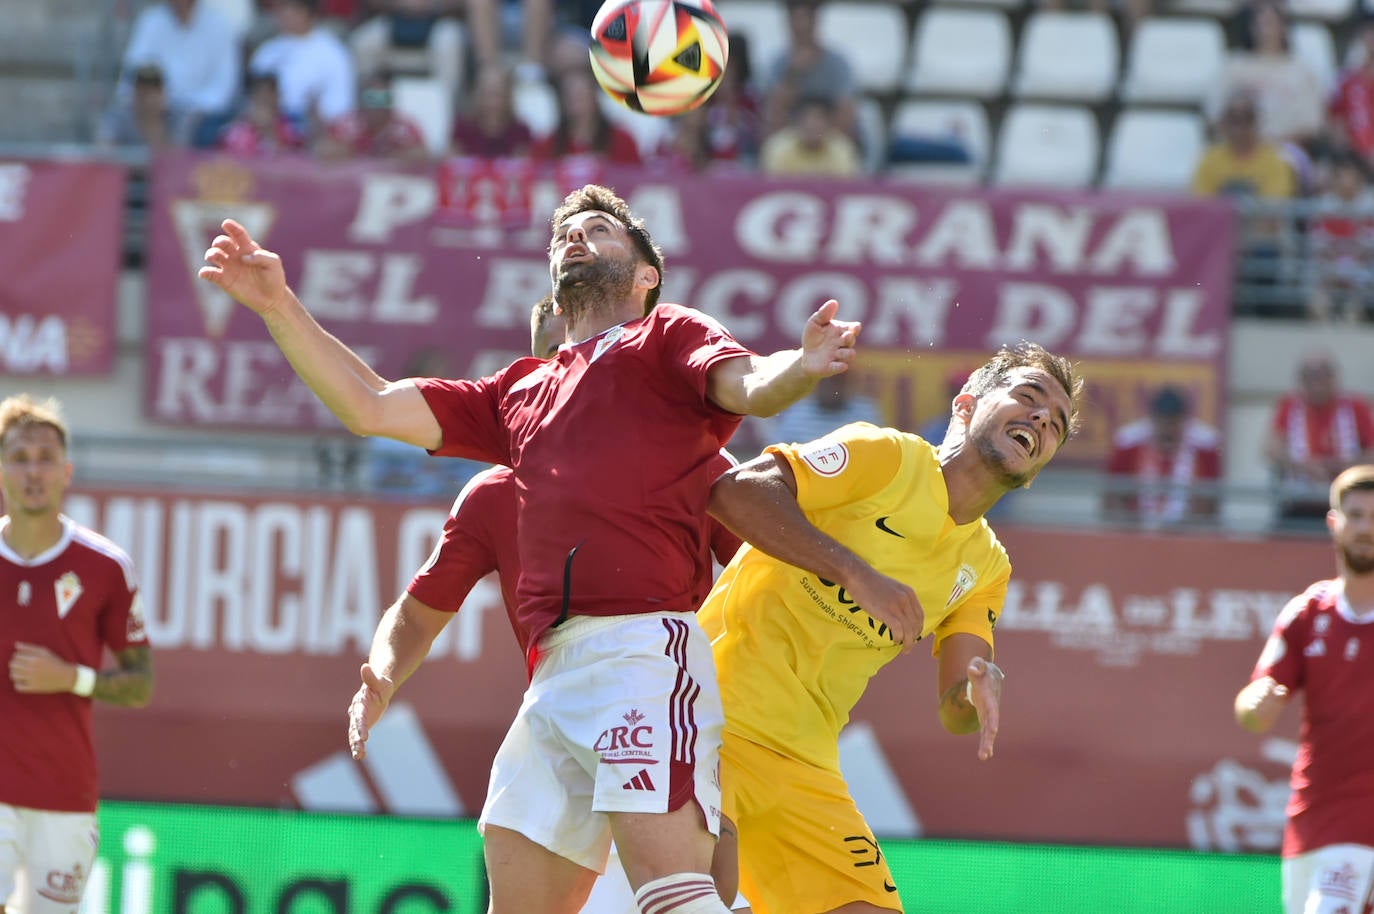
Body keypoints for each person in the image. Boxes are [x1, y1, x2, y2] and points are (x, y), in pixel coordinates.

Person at [198, 183, 861, 913]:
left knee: (675, 899)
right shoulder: (519, 391)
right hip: (551, 680)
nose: (575, 237)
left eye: (600, 230)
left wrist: (799, 367)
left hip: (641, 655)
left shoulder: (665, 335)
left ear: (646, 275)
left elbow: (748, 386)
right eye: (562, 235)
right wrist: (277, 307)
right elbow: (370, 405)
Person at [349, 298, 745, 911]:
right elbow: (419, 609)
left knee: (685, 894)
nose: (585, 368)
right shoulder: (489, 495)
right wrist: (383, 672)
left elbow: (758, 566)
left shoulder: (683, 458)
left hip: (655, 682)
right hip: (557, 696)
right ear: (542, 373)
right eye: (567, 356)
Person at [698, 341, 1084, 913]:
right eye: (1027, 398)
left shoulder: (988, 567)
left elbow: (956, 708)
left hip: (804, 761)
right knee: (706, 891)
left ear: (1035, 473)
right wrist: (856, 574)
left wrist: (975, 692)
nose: (1039, 420)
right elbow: (735, 492)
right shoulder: (884, 455)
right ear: (965, 403)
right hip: (706, 718)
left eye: (1053, 425)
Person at [0, 395, 154, 914]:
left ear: (67, 472)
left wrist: (72, 678)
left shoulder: (106, 566)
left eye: (45, 458)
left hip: (63, 795)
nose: (33, 472)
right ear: (1, 470)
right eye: (19, 458)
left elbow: (141, 683)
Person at [1234, 464, 1374, 914]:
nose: (1366, 528)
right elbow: (1254, 706)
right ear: (1334, 523)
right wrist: (1256, 703)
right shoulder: (1307, 613)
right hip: (1311, 820)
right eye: (1356, 515)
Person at [1265, 350, 1374, 526]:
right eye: (1310, 377)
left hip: (1346, 504)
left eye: (1322, 376)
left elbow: (1372, 452)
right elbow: (1271, 449)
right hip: (1300, 503)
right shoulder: (1289, 406)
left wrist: (1343, 466)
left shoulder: (1356, 407)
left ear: (1333, 377)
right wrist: (1304, 467)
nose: (1317, 384)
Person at [1102, 385, 1223, 530]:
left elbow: (1210, 501)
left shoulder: (1205, 447)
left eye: (1173, 423)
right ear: (1153, 419)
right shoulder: (1129, 444)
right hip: (1137, 535)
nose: (1168, 430)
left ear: (1183, 420)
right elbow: (1112, 497)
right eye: (1163, 422)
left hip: (1187, 536)